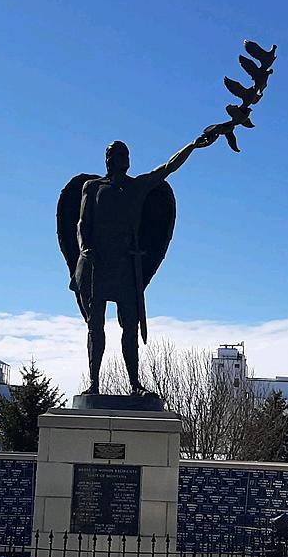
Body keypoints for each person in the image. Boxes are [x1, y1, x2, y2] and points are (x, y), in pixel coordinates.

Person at [74, 135, 213, 395]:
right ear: (109, 159)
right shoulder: (92, 187)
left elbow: (168, 168)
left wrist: (193, 145)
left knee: (130, 325)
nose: (125, 160)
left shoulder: (137, 187)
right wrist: (84, 248)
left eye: (127, 155)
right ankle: (94, 383)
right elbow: (83, 223)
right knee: (96, 326)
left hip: (126, 264)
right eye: (120, 155)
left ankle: (134, 384)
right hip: (97, 263)